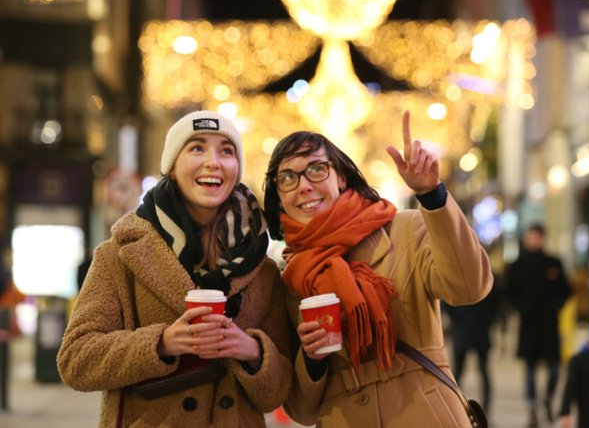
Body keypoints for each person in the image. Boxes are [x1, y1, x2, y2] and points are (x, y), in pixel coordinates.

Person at [57, 111, 293, 427]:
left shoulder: (261, 270)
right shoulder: (120, 255)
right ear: (172, 165)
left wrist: (252, 351)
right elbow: (76, 361)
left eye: (226, 150)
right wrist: (164, 343)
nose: (214, 161)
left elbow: (277, 395)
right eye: (197, 148)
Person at [263, 111, 493, 428]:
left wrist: (432, 196)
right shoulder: (288, 281)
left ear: (340, 177)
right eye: (287, 177)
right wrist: (312, 359)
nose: (303, 186)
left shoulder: (405, 230)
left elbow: (470, 287)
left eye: (316, 169)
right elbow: (302, 412)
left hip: (427, 415)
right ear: (278, 195)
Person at [506, 224, 572, 428]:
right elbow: (508, 292)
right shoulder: (518, 264)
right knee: (530, 369)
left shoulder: (553, 262)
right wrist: (521, 308)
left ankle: (548, 398)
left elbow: (567, 291)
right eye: (531, 237)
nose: (534, 240)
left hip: (550, 324)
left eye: (537, 237)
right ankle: (532, 408)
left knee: (554, 369)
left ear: (543, 238)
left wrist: (556, 307)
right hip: (529, 325)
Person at [443, 273, 500, 415]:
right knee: (457, 373)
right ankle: (455, 409)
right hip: (462, 331)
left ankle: (486, 411)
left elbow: (496, 304)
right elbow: (447, 303)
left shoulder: (489, 276)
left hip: (481, 331)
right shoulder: (457, 276)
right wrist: (457, 320)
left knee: (483, 372)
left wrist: (488, 321)